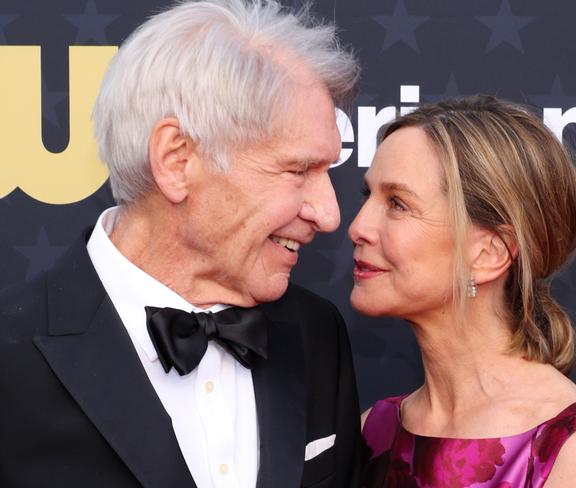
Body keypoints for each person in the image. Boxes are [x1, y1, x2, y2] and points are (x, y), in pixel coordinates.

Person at [0, 1, 361, 487]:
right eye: (298, 171)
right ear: (176, 161)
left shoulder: (316, 333)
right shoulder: (11, 357)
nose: (330, 215)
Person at [350, 96, 576, 487]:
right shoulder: (370, 431)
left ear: (489, 253)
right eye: (368, 196)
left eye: (397, 203)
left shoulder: (571, 446)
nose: (357, 227)